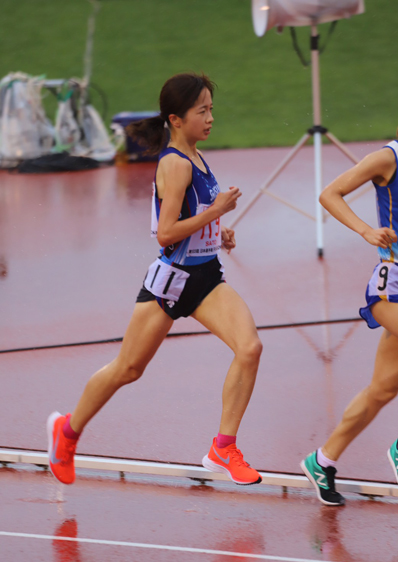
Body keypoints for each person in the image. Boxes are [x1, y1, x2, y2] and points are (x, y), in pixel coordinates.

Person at [47, 73, 263, 487]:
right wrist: (216, 214)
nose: (210, 118)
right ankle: (67, 431)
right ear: (176, 119)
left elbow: (190, 220)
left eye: (211, 109)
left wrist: (218, 233)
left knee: (250, 347)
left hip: (206, 279)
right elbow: (165, 234)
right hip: (171, 283)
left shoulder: (197, 157)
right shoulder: (174, 164)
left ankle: (223, 446)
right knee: (128, 369)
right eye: (202, 111)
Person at [301, 136, 398, 506]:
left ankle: (322, 460)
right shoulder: (388, 159)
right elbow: (330, 194)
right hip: (392, 289)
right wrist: (367, 230)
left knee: (383, 389)